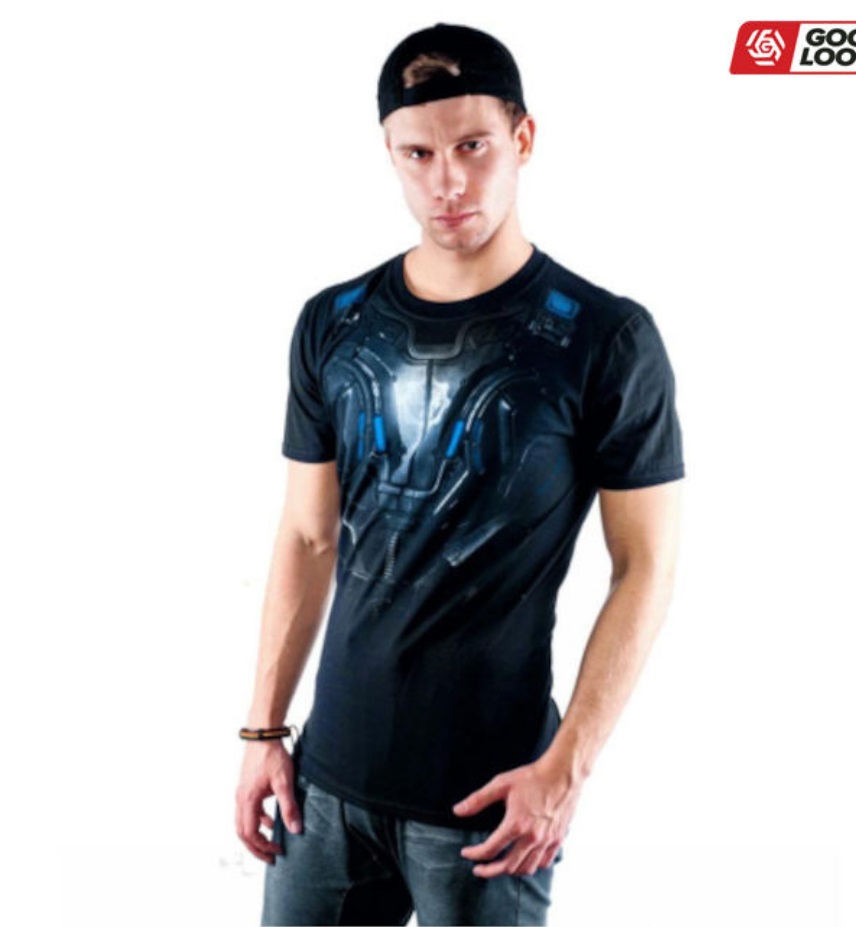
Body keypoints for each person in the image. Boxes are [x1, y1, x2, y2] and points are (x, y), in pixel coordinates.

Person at [235, 21, 685, 927]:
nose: (446, 181)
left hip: (492, 804)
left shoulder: (607, 338)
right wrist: (262, 729)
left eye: (473, 146)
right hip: (324, 786)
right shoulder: (332, 322)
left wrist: (566, 768)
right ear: (389, 154)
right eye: (419, 153)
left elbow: (645, 565)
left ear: (522, 138)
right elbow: (308, 534)